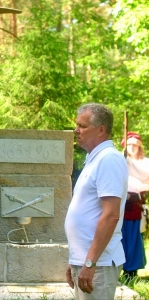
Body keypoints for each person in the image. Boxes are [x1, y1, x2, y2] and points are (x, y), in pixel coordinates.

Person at [65, 103, 128, 300]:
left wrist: (90, 263)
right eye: (77, 125)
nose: (76, 130)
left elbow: (110, 215)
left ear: (101, 130)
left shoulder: (109, 159)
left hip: (98, 264)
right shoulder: (94, 159)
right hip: (86, 261)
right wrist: (75, 259)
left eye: (82, 126)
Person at [121, 132, 148, 279]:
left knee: (133, 237)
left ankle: (131, 271)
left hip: (136, 206)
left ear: (139, 147)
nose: (132, 148)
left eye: (135, 145)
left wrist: (138, 187)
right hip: (119, 204)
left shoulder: (146, 163)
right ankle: (117, 267)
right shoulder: (120, 160)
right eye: (129, 145)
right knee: (119, 238)